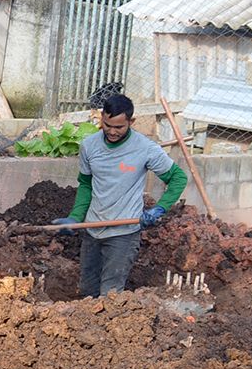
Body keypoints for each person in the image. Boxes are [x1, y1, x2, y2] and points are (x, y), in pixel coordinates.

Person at [54, 92, 189, 296]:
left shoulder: (145, 149)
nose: (112, 132)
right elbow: (86, 185)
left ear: (131, 121)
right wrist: (75, 217)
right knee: (86, 290)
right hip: (92, 230)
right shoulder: (89, 146)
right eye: (107, 125)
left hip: (123, 234)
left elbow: (178, 178)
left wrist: (159, 209)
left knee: (111, 294)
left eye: (119, 127)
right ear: (102, 118)